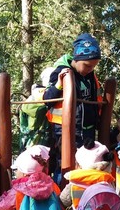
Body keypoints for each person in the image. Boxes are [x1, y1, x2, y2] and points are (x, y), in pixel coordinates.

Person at [43, 33, 104, 183]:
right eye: (87, 65)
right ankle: (62, 193)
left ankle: (82, 193)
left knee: (87, 163)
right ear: (76, 58)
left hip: (87, 129)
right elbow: (47, 99)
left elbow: (94, 99)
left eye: (94, 66)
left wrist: (98, 121)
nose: (90, 69)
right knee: (65, 164)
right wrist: (59, 84)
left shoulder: (90, 76)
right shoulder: (61, 72)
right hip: (64, 129)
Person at [19, 67, 54, 151]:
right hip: (34, 139)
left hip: (41, 138)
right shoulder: (36, 97)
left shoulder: (34, 97)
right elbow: (38, 112)